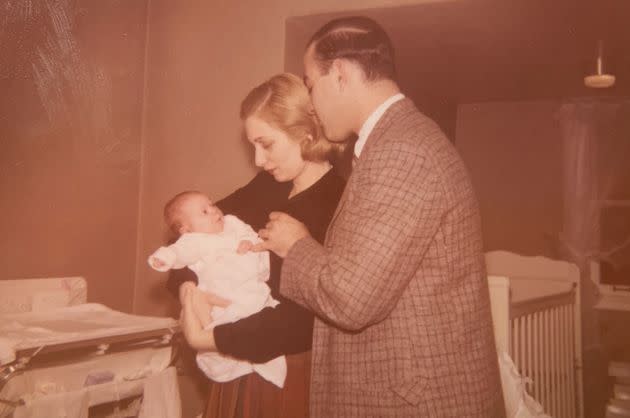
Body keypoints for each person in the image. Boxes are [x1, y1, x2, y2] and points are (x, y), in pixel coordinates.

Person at [252, 16, 506, 417]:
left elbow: (350, 299)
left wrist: (296, 245)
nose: (312, 106)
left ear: (340, 74)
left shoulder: (402, 151)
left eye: (311, 84)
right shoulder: (395, 143)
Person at [172, 72, 346, 417]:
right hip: (237, 364)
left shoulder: (337, 205)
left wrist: (206, 339)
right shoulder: (268, 188)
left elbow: (306, 323)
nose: (258, 160)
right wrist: (191, 293)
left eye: (266, 144)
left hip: (290, 376)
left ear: (305, 133)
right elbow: (184, 229)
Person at [148, 191, 286, 387]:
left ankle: (261, 362)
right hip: (222, 294)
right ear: (186, 229)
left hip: (252, 286)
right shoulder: (193, 241)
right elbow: (178, 252)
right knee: (226, 323)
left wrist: (249, 241)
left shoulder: (232, 223)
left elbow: (250, 233)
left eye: (212, 205)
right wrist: (164, 258)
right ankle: (228, 363)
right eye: (204, 212)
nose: (214, 210)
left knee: (259, 311)